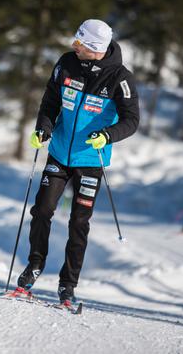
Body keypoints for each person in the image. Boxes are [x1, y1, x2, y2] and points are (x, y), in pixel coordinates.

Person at [15, 19, 140, 306]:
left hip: (89, 160)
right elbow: (50, 101)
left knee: (79, 222)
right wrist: (43, 128)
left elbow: (132, 121)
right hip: (59, 152)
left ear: (95, 48)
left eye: (80, 43)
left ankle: (68, 285)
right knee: (42, 209)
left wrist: (107, 135)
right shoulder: (66, 63)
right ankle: (33, 267)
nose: (74, 46)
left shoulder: (120, 79)